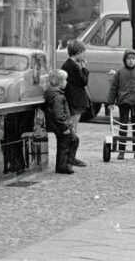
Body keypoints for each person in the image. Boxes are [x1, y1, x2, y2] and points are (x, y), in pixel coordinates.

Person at [107, 49, 135, 160]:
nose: (131, 61)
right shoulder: (120, 73)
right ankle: (121, 150)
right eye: (128, 59)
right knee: (123, 126)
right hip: (124, 102)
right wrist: (110, 102)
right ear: (125, 60)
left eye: (133, 59)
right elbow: (114, 88)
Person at [44, 69, 79, 174]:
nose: (66, 82)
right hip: (60, 126)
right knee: (66, 143)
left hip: (60, 125)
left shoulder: (55, 94)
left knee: (71, 141)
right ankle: (63, 165)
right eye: (65, 80)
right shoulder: (58, 96)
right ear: (59, 83)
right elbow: (58, 114)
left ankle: (66, 164)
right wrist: (64, 127)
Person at [61, 39, 88, 167]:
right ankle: (71, 157)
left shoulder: (67, 65)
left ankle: (70, 156)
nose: (84, 55)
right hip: (75, 101)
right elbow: (84, 81)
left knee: (72, 128)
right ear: (78, 52)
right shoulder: (73, 66)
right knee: (73, 128)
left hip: (72, 100)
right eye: (83, 52)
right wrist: (84, 68)